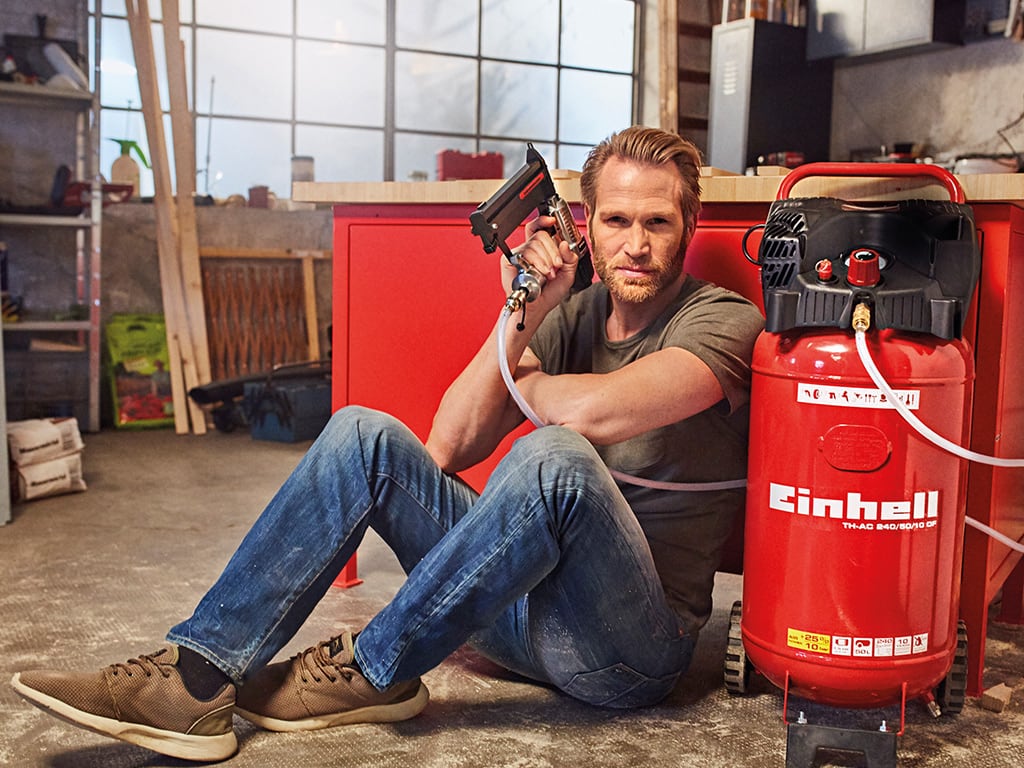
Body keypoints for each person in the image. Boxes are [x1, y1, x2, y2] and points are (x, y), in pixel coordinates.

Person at [11, 126, 765, 762]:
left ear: (688, 228)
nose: (635, 245)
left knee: (555, 456)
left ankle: (375, 665)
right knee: (363, 431)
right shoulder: (570, 312)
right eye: (617, 221)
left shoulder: (723, 322)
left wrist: (527, 392)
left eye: (657, 224)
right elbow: (448, 443)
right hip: (514, 613)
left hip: (624, 651)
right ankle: (198, 676)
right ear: (585, 224)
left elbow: (595, 416)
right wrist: (526, 311)